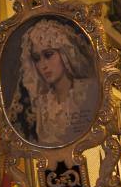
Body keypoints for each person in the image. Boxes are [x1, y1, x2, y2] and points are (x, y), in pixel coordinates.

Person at [8, 17, 98, 145]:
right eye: (37, 58)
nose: (43, 65)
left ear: (65, 53)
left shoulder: (89, 90)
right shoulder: (41, 105)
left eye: (48, 55)